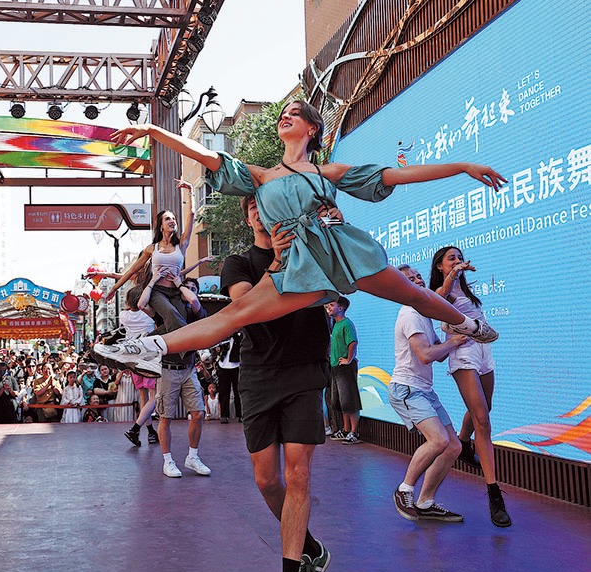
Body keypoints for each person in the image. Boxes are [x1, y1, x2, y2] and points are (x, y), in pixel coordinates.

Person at [94, 100, 503, 377]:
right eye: (283, 114)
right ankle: (148, 349)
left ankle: (468, 324)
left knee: (414, 295)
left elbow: (397, 175)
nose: (285, 117)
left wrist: (463, 166)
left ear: (312, 128)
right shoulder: (260, 176)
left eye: (295, 113)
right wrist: (152, 128)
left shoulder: (327, 173)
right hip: (294, 265)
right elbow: (205, 157)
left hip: (343, 251)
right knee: (233, 317)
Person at [220, 195, 332, 572]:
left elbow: (334, 288)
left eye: (264, 206)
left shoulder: (308, 253)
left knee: (298, 474)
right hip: (259, 375)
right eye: (251, 208)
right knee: (267, 479)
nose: (258, 212)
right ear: (248, 219)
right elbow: (247, 305)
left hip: (304, 369)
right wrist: (277, 261)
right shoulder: (237, 263)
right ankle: (310, 548)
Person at [430, 246, 511, 527]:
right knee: (483, 421)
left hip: (483, 350)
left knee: (485, 408)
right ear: (440, 266)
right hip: (463, 354)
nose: (457, 260)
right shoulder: (444, 291)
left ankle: (464, 442)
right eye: (450, 258)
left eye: (458, 256)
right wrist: (453, 274)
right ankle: (493, 494)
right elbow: (440, 300)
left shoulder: (467, 291)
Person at [389, 265, 469, 523]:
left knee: (453, 446)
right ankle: (405, 490)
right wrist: (453, 342)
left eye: (417, 276)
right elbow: (425, 355)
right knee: (438, 441)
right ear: (401, 288)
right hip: (407, 389)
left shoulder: (423, 313)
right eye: (409, 279)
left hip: (424, 390)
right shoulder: (410, 314)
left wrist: (455, 335)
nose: (417, 280)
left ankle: (425, 502)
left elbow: (437, 352)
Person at [105, 179, 195, 331]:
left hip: (175, 291)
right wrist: (114, 288)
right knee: (172, 313)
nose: (172, 221)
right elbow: (132, 270)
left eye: (174, 218)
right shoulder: (151, 249)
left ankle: (162, 345)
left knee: (176, 320)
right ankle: (195, 344)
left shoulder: (182, 244)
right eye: (168, 219)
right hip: (157, 292)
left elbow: (191, 213)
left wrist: (191, 191)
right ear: (161, 226)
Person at [152, 278, 211, 478]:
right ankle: (167, 461)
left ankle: (192, 457)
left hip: (188, 369)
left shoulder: (196, 312)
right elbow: (142, 305)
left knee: (198, 413)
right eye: (188, 287)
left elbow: (195, 303)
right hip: (167, 369)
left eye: (193, 289)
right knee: (165, 417)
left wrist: (180, 285)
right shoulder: (168, 312)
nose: (190, 291)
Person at [121, 287, 160, 446]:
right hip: (149, 357)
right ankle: (135, 429)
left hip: (133, 358)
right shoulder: (149, 316)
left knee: (143, 397)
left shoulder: (124, 316)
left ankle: (150, 432)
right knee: (155, 397)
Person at [326, 297, 362, 445]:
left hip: (345, 368)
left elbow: (353, 342)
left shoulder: (346, 323)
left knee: (350, 399)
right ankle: (345, 429)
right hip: (336, 367)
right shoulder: (336, 325)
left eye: (332, 305)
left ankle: (354, 432)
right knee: (341, 401)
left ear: (340, 308)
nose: (328, 307)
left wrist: (348, 359)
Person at [216, 331, 242, 423]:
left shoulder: (239, 336)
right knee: (223, 392)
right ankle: (224, 415)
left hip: (236, 365)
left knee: (238, 391)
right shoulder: (224, 336)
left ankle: (240, 415)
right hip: (223, 365)